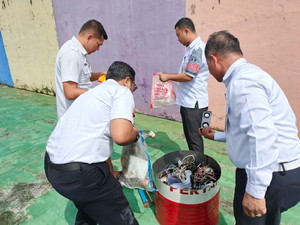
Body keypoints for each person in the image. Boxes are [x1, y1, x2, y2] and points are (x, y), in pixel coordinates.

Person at [199, 30, 300, 225]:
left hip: (271, 174)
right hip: (276, 171)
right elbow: (247, 129)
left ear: (214, 59)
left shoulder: (243, 83)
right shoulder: (249, 75)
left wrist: (255, 191)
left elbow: (262, 136)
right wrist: (218, 136)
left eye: (208, 66)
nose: (210, 72)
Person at [45, 61, 139, 225]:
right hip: (80, 174)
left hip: (53, 168)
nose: (132, 91)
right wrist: (134, 132)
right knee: (121, 215)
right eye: (133, 86)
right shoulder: (122, 91)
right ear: (126, 80)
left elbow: (96, 139)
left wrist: (110, 172)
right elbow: (121, 137)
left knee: (89, 205)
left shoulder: (91, 94)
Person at [159, 17, 209, 153]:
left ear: (186, 31)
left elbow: (188, 75)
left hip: (194, 104)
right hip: (189, 102)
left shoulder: (197, 49)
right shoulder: (191, 49)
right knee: (192, 138)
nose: (178, 39)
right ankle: (197, 165)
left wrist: (167, 76)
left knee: (194, 140)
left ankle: (199, 170)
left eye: (178, 35)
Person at [55, 19, 108, 119]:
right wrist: (99, 94)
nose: (98, 49)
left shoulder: (80, 53)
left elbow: (85, 77)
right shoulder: (71, 54)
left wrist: (103, 74)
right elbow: (70, 92)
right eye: (98, 44)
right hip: (72, 119)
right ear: (90, 37)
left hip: (81, 113)